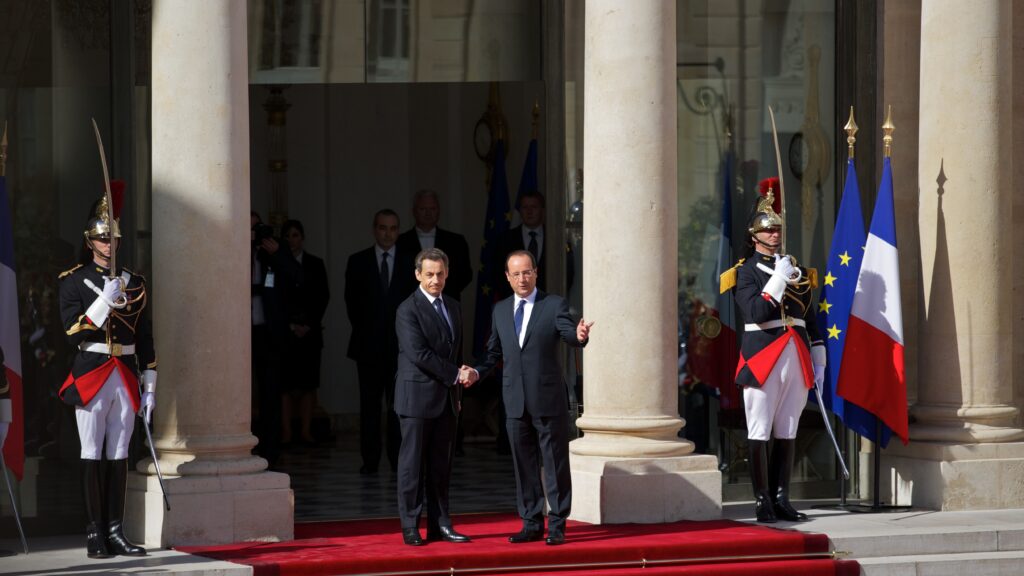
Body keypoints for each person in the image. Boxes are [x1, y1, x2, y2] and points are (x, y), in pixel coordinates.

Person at [57, 182, 155, 558]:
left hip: (126, 372)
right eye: (102, 239)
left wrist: (151, 386)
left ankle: (116, 530)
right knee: (92, 451)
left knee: (119, 453)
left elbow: (145, 337)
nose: (108, 245)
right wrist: (103, 301)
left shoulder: (136, 282)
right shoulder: (73, 282)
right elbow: (70, 331)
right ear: (89, 242)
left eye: (113, 238)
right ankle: (94, 532)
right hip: (93, 369)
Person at [471, 250, 592, 546]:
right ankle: (531, 522)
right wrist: (476, 371)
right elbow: (493, 352)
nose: (522, 279)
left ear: (535, 273)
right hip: (514, 401)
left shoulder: (553, 305)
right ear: (507, 277)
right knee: (523, 464)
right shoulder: (500, 310)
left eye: (527, 272)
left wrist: (579, 336)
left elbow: (568, 333)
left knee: (554, 463)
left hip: (548, 398)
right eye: (516, 274)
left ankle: (558, 524)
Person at [722, 177, 825, 523]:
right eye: (767, 230)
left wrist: (819, 359)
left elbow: (810, 318)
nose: (774, 235)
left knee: (788, 428)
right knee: (760, 429)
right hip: (763, 355)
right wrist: (778, 279)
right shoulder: (745, 273)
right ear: (754, 237)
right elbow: (758, 312)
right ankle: (762, 499)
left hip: (795, 355)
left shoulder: (796, 271)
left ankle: (782, 497)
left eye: (777, 229)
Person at [394, 248, 474, 546]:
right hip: (416, 400)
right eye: (429, 274)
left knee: (441, 467)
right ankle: (410, 526)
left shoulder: (453, 306)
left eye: (440, 274)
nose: (435, 280)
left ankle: (441, 524)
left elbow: (456, 351)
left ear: (447, 273)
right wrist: (455, 374)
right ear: (417, 275)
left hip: (446, 400)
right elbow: (419, 354)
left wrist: (457, 386)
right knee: (412, 467)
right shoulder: (407, 309)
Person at [345, 209, 416, 474]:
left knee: (399, 407)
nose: (388, 233)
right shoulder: (358, 261)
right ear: (375, 229)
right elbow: (352, 304)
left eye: (393, 228)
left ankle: (398, 459)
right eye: (383, 228)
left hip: (401, 349)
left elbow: (414, 304)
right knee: (369, 406)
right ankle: (370, 460)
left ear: (398, 230)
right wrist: (370, 333)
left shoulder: (411, 262)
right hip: (368, 347)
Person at [250, 211, 299, 467]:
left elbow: (297, 277)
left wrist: (277, 252)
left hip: (269, 332)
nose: (255, 235)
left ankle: (271, 449)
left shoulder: (272, 253)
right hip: (239, 334)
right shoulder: (235, 249)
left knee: (271, 392)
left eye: (257, 229)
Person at [279, 219, 330, 445]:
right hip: (286, 332)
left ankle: (306, 430)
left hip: (310, 332)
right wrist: (289, 324)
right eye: (288, 236)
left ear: (303, 237)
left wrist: (308, 323)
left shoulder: (315, 263)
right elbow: (277, 298)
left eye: (296, 235)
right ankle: (287, 431)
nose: (292, 240)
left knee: (309, 384)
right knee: (286, 385)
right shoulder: (277, 263)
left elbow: (322, 296)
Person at [396, 190, 472, 301]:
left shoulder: (456, 242)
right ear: (414, 211)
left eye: (432, 209)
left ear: (439, 211)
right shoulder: (400, 242)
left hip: (446, 303)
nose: (428, 213)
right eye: (423, 209)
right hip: (410, 304)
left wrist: (439, 290)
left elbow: (465, 275)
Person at [495, 190, 547, 299]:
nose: (529, 211)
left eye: (534, 207)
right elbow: (498, 274)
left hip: (549, 301)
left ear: (542, 210)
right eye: (525, 207)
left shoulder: (554, 238)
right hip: (516, 302)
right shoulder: (505, 239)